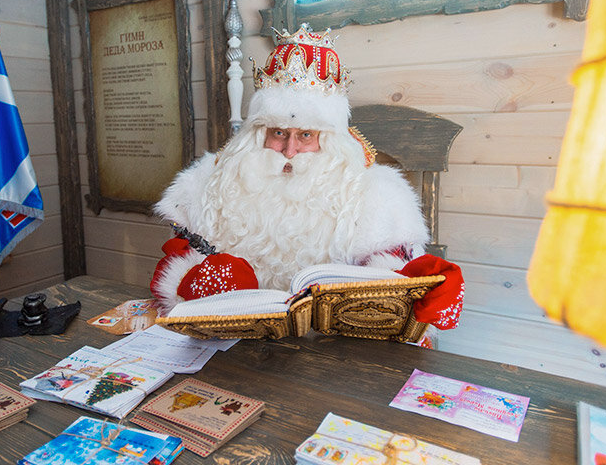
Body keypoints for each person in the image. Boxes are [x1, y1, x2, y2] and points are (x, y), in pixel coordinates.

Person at [150, 24, 464, 338]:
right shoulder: (209, 185)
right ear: (259, 133)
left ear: (329, 140)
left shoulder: (377, 194)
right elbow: (177, 263)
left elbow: (395, 274)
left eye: (305, 135)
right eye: (278, 133)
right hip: (235, 343)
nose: (290, 150)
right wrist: (194, 281)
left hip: (331, 350)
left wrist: (417, 287)